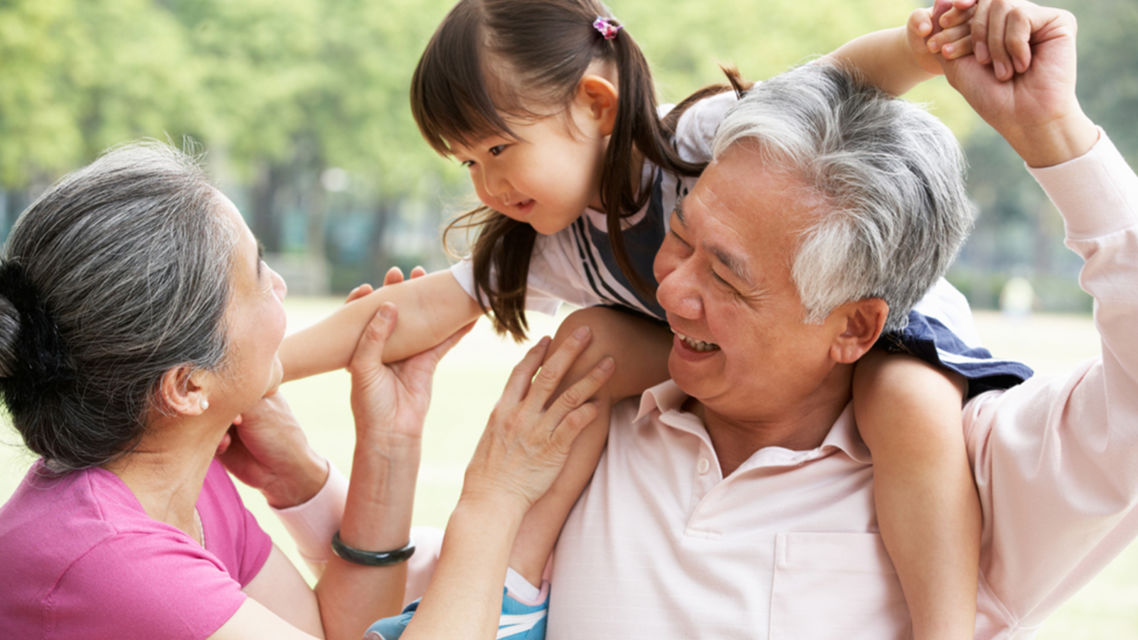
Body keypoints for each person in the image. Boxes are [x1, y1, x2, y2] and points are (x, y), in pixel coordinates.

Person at [283, 2, 1030, 637]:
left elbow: (836, 81)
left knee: (905, 401)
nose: (487, 181)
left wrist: (916, 49)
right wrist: (261, 366)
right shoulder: (561, 239)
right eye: (467, 163)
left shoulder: (700, 140)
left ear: (595, 104)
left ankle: (944, 629)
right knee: (582, 353)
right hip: (728, 337)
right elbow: (414, 309)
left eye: (499, 148)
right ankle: (517, 590)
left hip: (872, 310)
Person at [536, 0, 1136, 636]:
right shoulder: (590, 411)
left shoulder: (976, 476)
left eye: (727, 277)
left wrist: (1056, 133)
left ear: (854, 327)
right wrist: (410, 448)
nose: (673, 291)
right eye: (681, 238)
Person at [0, 141, 614, 639]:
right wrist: (495, 498)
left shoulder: (174, 481)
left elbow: (336, 630)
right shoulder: (110, 558)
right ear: (187, 386)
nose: (282, 286)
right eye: (257, 276)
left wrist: (388, 440)